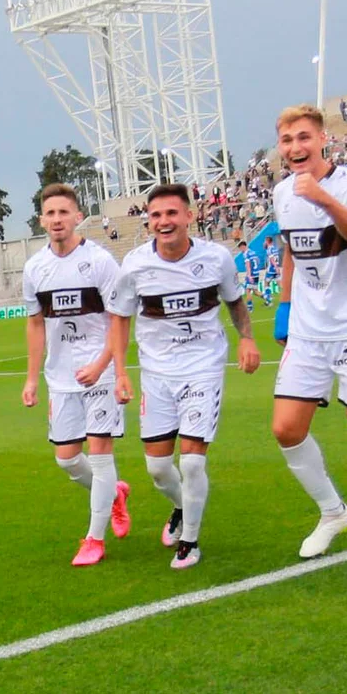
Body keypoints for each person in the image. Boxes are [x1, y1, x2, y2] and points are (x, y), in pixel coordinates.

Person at [107, 183, 260, 569]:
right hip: (157, 374)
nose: (164, 222)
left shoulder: (216, 258)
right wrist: (120, 373)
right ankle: (180, 506)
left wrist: (247, 339)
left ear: (189, 216)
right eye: (156, 215)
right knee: (158, 469)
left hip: (203, 368)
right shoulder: (136, 264)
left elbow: (235, 303)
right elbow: (120, 320)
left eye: (172, 213)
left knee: (192, 463)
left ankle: (189, 541)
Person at [270, 103, 347, 570]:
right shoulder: (283, 193)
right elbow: (290, 250)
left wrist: (322, 198)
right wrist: (284, 307)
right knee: (286, 429)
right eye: (287, 140)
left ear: (323, 139)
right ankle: (333, 512)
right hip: (307, 330)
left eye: (304, 137)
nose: (296, 147)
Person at [22, 182, 131, 567]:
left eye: (63, 212)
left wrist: (105, 365)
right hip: (61, 378)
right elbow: (36, 325)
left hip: (98, 375)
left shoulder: (100, 262)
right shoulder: (35, 268)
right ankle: (114, 494)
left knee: (100, 455)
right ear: (41, 220)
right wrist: (32, 378)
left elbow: (119, 319)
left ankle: (93, 538)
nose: (56, 219)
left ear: (77, 217)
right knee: (67, 459)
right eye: (50, 213)